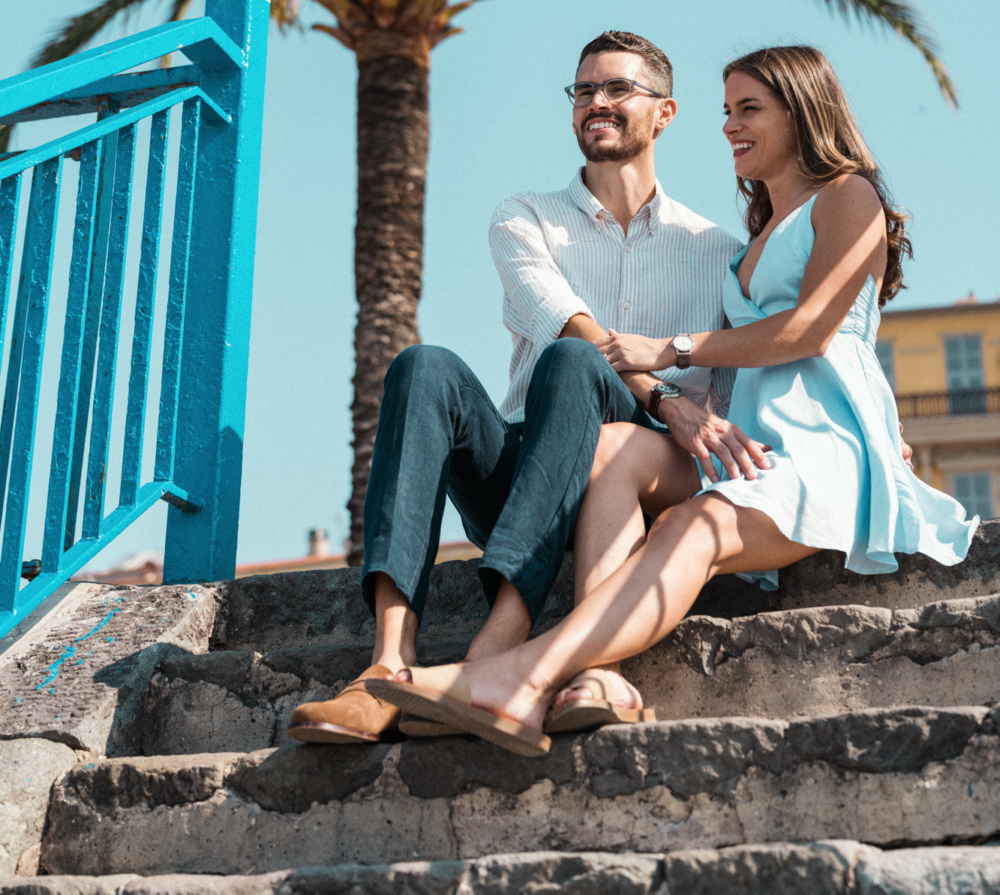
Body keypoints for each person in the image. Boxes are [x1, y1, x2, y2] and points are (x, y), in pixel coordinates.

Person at [365, 44, 977, 757]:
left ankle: (517, 671)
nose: (731, 126)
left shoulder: (835, 198)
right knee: (589, 429)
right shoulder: (740, 235)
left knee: (683, 517)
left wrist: (675, 351)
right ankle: (565, 670)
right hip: (716, 443)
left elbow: (820, 329)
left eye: (750, 108)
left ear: (802, 110)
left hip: (811, 444)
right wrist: (670, 398)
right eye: (728, 111)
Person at [288, 30, 749, 745]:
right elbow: (567, 324)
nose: (596, 102)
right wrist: (665, 394)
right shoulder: (525, 216)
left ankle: (498, 646)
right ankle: (386, 668)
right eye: (584, 89)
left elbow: (783, 343)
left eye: (617, 88)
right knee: (426, 365)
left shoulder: (718, 253)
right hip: (526, 470)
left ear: (665, 112)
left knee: (574, 367)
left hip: (632, 477)